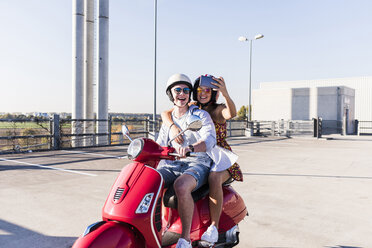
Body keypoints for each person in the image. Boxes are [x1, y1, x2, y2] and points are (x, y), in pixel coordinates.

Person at [161, 74, 243, 245]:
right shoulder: (192, 106)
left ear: (214, 93)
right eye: (199, 90)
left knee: (213, 177)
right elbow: (166, 112)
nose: (203, 93)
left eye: (207, 90)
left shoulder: (216, 109)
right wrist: (172, 126)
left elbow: (232, 113)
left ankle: (213, 227)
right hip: (200, 154)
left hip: (219, 156)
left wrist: (225, 93)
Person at [156, 73, 217, 248]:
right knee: (150, 180)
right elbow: (160, 143)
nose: (181, 93)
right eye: (177, 90)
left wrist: (192, 147)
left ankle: (185, 240)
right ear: (170, 94)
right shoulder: (168, 122)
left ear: (189, 93)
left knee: (181, 186)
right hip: (172, 164)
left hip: (198, 163)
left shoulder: (200, 115)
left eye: (185, 90)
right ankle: (153, 227)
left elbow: (209, 139)